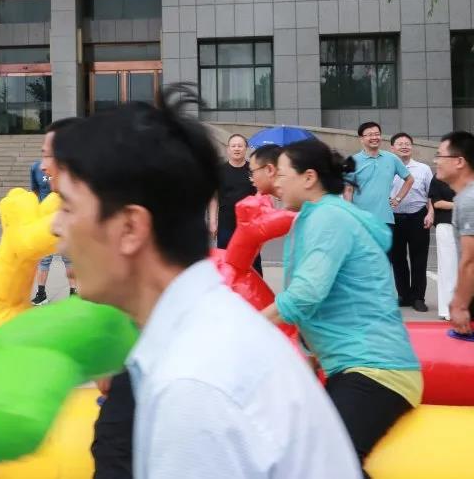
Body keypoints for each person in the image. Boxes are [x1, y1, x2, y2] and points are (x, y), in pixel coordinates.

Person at [50, 90, 360, 479]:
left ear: (130, 228)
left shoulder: (194, 385)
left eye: (68, 206)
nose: (55, 227)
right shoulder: (198, 336)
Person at [266, 138, 421, 471]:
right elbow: (320, 301)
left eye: (280, 173)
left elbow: (306, 294)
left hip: (377, 370)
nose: (274, 182)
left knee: (327, 463)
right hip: (351, 368)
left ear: (309, 177)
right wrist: (309, 361)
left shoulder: (329, 217)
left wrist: (245, 326)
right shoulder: (314, 217)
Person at [30, 119, 81, 306]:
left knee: (69, 258)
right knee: (44, 258)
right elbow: (35, 191)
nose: (45, 165)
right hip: (46, 221)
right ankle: (41, 293)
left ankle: (73, 292)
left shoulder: (69, 168)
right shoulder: (36, 168)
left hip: (65, 219)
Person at [344, 122, 414, 254]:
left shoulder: (391, 158)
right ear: (361, 138)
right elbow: (348, 190)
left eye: (377, 134)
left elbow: (409, 179)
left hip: (385, 220)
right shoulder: (352, 161)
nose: (374, 137)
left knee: (384, 259)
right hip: (361, 220)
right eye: (370, 135)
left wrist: (398, 199)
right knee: (362, 259)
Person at [432, 131, 474, 335]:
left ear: (459, 161)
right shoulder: (463, 198)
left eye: (440, 155)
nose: (436, 161)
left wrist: (460, 304)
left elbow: (471, 260)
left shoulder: (469, 200)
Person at [388, 132, 434, 311]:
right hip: (394, 218)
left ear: (412, 147)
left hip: (418, 216)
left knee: (419, 258)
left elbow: (431, 195)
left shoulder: (423, 169)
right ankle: (404, 295)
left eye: (407, 143)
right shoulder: (387, 168)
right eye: (400, 144)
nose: (404, 146)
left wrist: (430, 213)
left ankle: (418, 297)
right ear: (392, 148)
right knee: (398, 258)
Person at [209, 134, 259, 271]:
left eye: (240, 146)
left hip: (250, 225)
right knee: (226, 262)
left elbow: (262, 194)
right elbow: (214, 198)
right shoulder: (219, 171)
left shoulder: (253, 170)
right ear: (228, 149)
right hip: (226, 224)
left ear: (246, 148)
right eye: (233, 146)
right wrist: (213, 222)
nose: (237, 148)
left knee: (252, 263)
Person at [428, 175, 456, 320]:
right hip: (446, 225)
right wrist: (461, 204)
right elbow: (437, 203)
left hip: (467, 224)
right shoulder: (439, 176)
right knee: (447, 268)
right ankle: (447, 309)